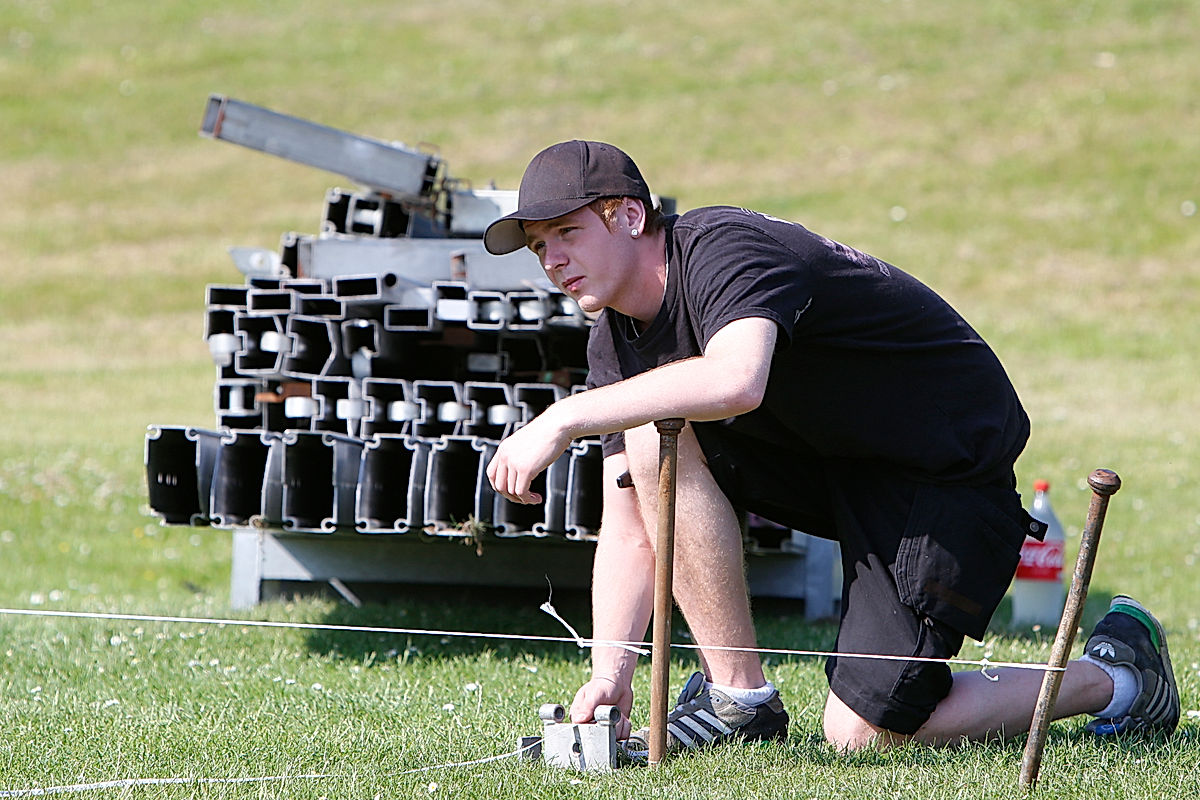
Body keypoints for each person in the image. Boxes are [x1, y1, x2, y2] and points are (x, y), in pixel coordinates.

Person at [482, 140, 1179, 752]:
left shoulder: (725, 250)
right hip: (834, 462)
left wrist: (564, 416)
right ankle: (739, 701)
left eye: (566, 232)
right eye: (541, 245)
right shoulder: (615, 334)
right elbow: (631, 523)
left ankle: (1120, 678)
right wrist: (613, 672)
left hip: (942, 471)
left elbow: (737, 380)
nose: (552, 259)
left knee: (864, 734)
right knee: (648, 428)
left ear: (629, 216)